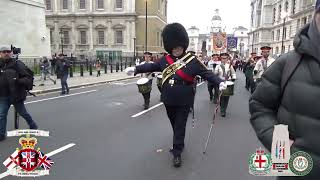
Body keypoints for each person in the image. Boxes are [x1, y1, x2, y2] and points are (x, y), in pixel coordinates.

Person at [125, 23, 226, 168]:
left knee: (179, 125)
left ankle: (177, 152)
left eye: (179, 46)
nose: (177, 49)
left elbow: (207, 74)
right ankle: (179, 140)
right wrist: (136, 69)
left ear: (183, 45)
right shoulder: (165, 60)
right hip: (168, 99)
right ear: (170, 46)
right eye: (174, 47)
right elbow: (151, 66)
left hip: (184, 99)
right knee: (175, 123)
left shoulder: (193, 61)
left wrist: (219, 82)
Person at [250, 2, 320, 179]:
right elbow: (260, 105)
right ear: (315, 15)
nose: (265, 53)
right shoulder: (287, 62)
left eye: (267, 51)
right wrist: (280, 145)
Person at [0, 46, 38, 141]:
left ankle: (32, 125)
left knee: (23, 113)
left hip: (15, 94)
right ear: (0, 53)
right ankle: (1, 134)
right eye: (4, 51)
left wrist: (17, 80)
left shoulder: (17, 64)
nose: (6, 53)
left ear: (11, 53)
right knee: (1, 115)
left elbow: (27, 77)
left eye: (8, 51)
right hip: (3, 95)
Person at [214, 53, 236, 117]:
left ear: (227, 59)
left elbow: (233, 73)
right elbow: (215, 74)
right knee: (220, 97)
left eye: (225, 58)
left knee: (226, 97)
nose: (224, 59)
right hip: (220, 82)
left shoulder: (230, 66)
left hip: (227, 82)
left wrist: (233, 78)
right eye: (223, 58)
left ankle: (223, 111)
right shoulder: (218, 66)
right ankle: (221, 107)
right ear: (221, 59)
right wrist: (215, 76)